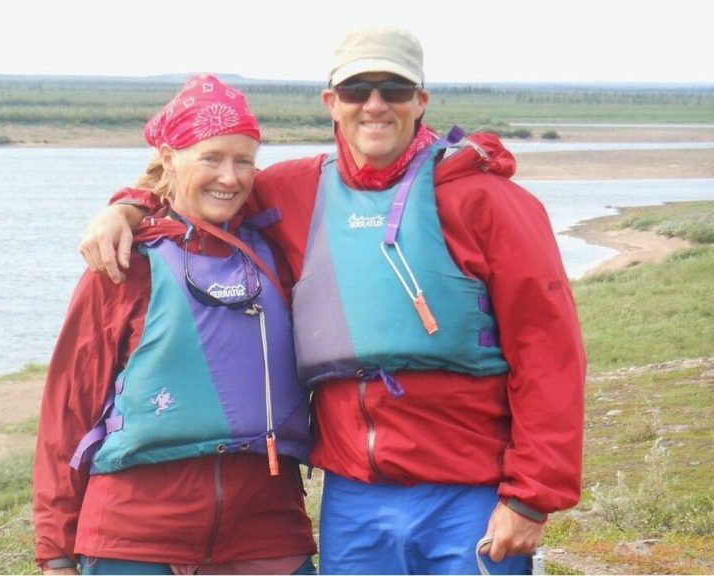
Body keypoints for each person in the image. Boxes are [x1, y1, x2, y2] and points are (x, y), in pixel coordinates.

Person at [79, 27, 586, 575]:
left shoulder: (487, 201)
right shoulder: (296, 192)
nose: (374, 105)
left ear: (420, 100)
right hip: (355, 494)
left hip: (471, 493)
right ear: (331, 103)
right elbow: (204, 191)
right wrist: (128, 206)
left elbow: (549, 353)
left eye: (393, 89)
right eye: (356, 90)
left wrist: (531, 496)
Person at [33, 74, 317, 575]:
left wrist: (127, 202)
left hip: (266, 534)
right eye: (211, 157)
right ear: (169, 158)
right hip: (133, 537)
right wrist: (56, 549)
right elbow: (67, 410)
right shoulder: (123, 264)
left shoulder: (279, 250)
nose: (229, 178)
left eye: (243, 160)